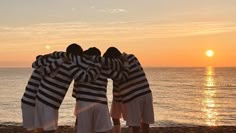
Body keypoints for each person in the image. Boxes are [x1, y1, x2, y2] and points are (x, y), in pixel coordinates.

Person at [34, 44, 101, 132]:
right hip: (50, 102)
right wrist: (97, 65)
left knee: (41, 128)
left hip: (39, 97)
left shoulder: (55, 59)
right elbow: (85, 78)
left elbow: (37, 62)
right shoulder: (71, 65)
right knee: (49, 129)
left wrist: (54, 54)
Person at [73, 47, 129, 133]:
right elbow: (122, 77)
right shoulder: (104, 67)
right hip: (100, 102)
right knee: (102, 130)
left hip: (83, 102)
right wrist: (125, 63)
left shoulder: (81, 64)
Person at [110, 49, 154, 133]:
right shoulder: (132, 57)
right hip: (146, 92)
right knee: (145, 122)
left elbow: (120, 80)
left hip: (133, 97)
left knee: (134, 125)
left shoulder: (117, 65)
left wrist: (118, 99)